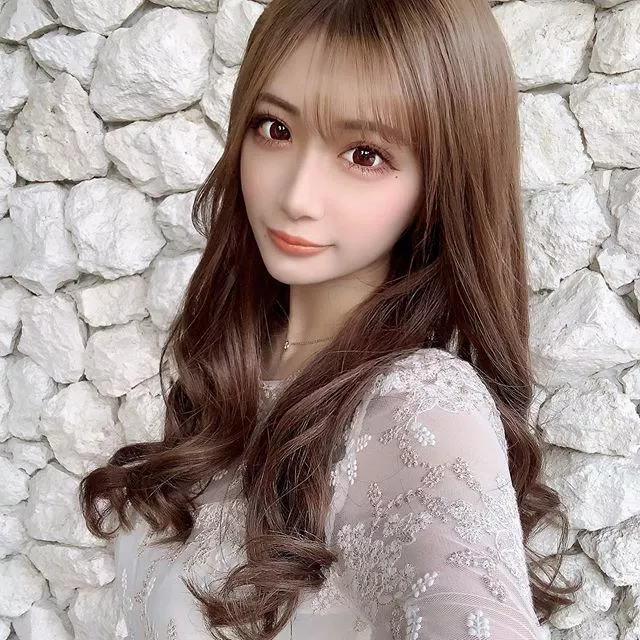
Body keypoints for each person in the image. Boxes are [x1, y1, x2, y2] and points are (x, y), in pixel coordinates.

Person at [80, 0, 581, 637]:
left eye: (364, 155)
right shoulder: (236, 370)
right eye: (275, 129)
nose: (296, 196)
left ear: (440, 184)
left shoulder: (418, 408)